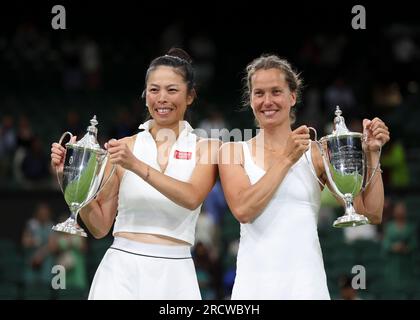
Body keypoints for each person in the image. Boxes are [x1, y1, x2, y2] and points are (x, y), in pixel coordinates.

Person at [51, 48, 220, 299]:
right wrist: (71, 180)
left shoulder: (208, 148)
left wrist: (136, 165)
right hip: (120, 272)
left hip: (176, 274)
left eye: (172, 90)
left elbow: (192, 196)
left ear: (190, 96)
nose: (161, 98)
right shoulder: (124, 146)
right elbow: (99, 227)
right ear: (145, 95)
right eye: (154, 90)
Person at [218, 54, 390, 299]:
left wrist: (373, 155)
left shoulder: (318, 153)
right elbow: (244, 209)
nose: (267, 101)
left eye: (276, 91)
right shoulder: (232, 151)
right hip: (253, 287)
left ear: (292, 96)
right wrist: (287, 158)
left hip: (307, 285)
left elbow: (370, 213)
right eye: (259, 93)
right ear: (251, 99)